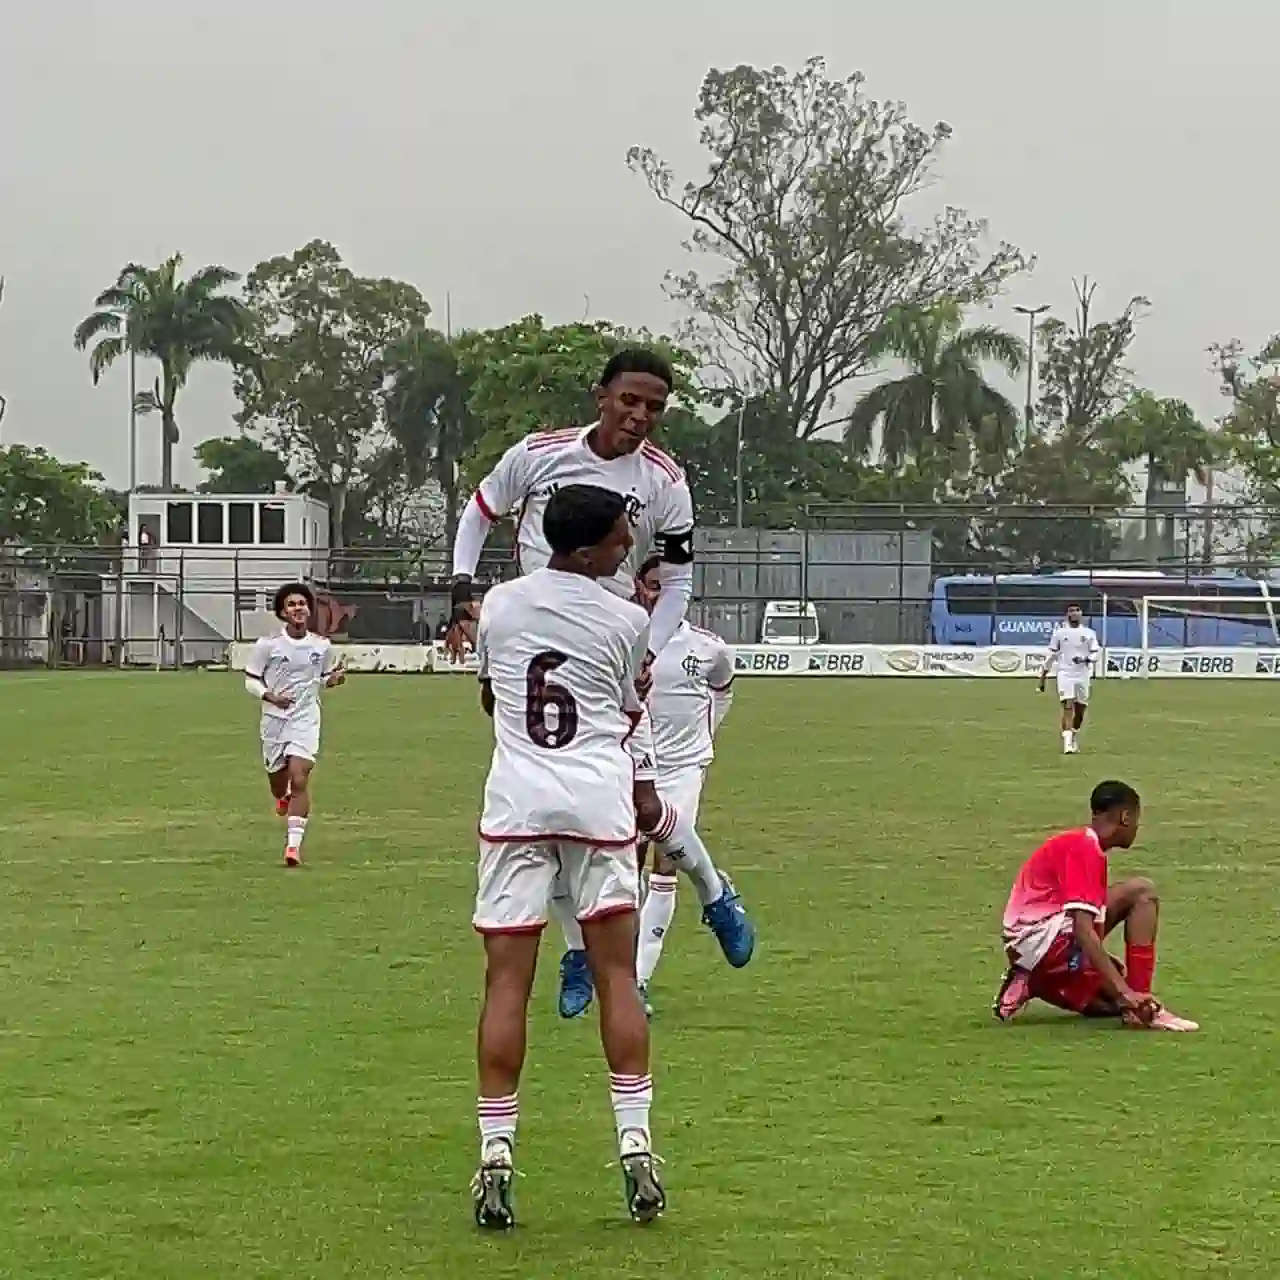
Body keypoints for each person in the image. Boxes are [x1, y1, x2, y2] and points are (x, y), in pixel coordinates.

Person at [448, 347, 754, 1019]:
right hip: (531, 636)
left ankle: (714, 891)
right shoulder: (539, 454)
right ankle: (577, 951)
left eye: (654, 408)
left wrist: (650, 647)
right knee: (545, 817)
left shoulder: (666, 483)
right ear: (601, 395)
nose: (640, 416)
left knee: (641, 807)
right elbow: (478, 512)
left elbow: (677, 581)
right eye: (629, 401)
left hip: (609, 648)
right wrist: (461, 591)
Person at [470, 484, 665, 1230]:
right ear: (586, 550)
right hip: (598, 805)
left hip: (517, 803)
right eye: (619, 541)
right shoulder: (626, 620)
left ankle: (495, 1157)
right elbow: (623, 707)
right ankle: (636, 1146)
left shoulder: (502, 604)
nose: (627, 551)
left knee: (506, 984)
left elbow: (493, 697)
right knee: (616, 974)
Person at [993, 780, 1198, 1031]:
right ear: (1125, 816)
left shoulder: (1078, 844)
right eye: (1136, 819)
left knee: (1108, 1004)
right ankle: (1140, 1008)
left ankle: (1033, 980)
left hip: (1029, 950)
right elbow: (1082, 928)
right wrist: (1126, 993)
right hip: (1046, 944)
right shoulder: (1085, 848)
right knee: (1142, 892)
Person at [631, 556, 736, 1016]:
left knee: (665, 864)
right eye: (648, 586)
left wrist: (706, 738)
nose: (655, 595)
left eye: (663, 587)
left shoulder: (708, 648)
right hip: (630, 768)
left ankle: (637, 980)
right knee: (620, 867)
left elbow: (724, 688)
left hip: (683, 770)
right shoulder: (621, 638)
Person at [243, 583, 345, 867]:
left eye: (302, 603)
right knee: (279, 783)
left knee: (299, 776)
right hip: (274, 721)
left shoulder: (322, 646)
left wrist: (333, 680)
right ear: (282, 612)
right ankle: (282, 796)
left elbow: (322, 678)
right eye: (292, 604)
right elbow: (250, 678)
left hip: (306, 719)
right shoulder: (268, 645)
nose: (298, 608)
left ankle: (293, 847)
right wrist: (271, 696)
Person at [1038, 602, 1100, 754]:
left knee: (1080, 710)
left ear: (1081, 614)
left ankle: (1073, 736)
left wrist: (1086, 659)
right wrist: (1043, 676)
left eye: (1077, 610)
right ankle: (1067, 745)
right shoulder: (1059, 633)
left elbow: (1096, 652)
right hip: (1065, 674)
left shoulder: (1089, 633)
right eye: (1071, 611)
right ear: (1067, 615)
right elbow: (1051, 655)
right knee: (1068, 705)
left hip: (1083, 675)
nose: (1074, 613)